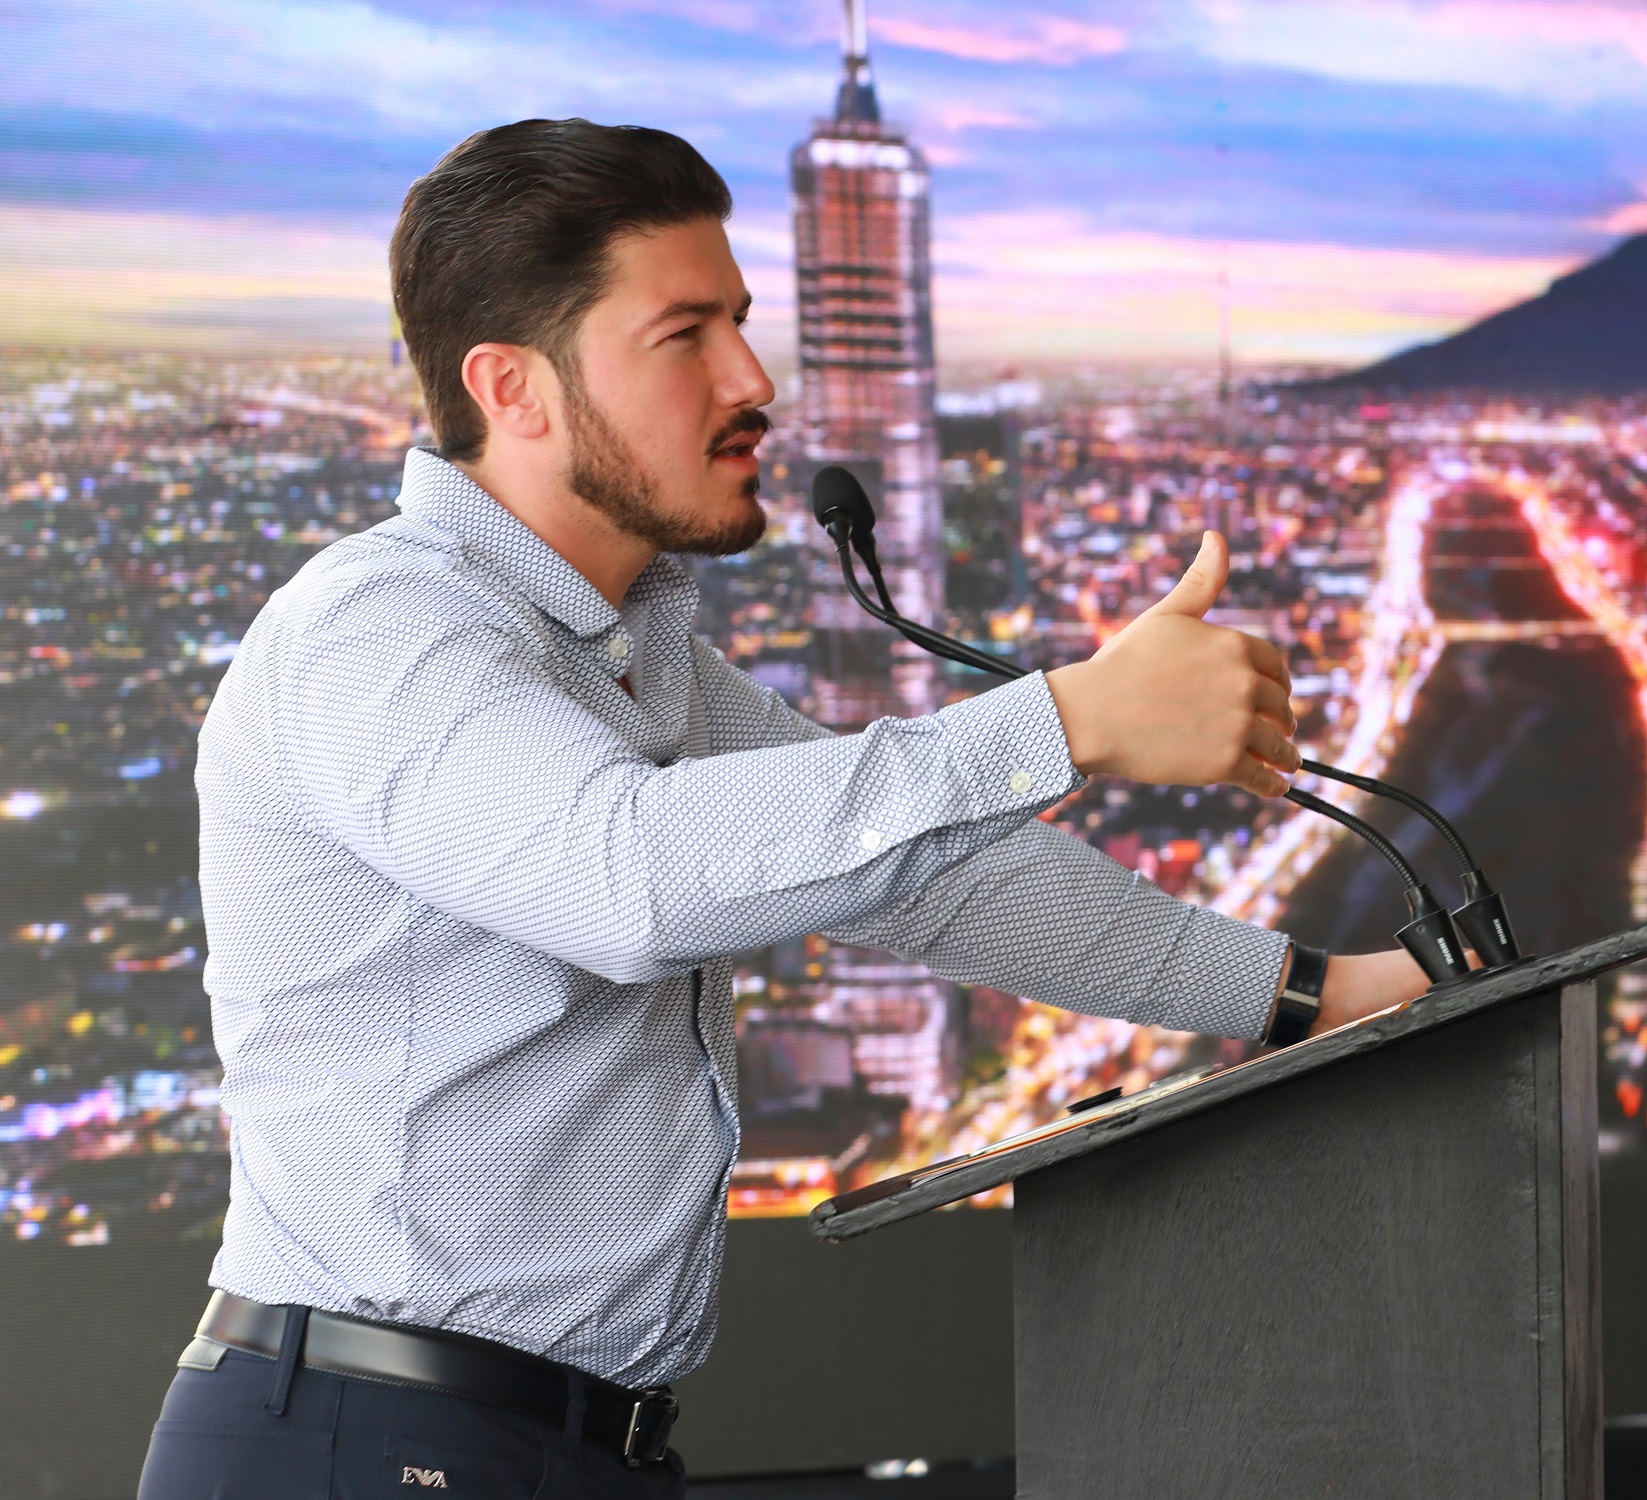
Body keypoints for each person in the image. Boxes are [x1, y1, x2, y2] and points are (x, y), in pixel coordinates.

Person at [136, 119, 1430, 1499]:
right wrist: (1069, 719)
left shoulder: (639, 663)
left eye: (741, 324)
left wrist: (1318, 994)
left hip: (545, 1445)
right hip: (365, 1442)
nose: (755, 380)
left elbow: (948, 883)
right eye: (684, 334)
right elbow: (629, 879)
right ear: (513, 387)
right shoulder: (380, 629)